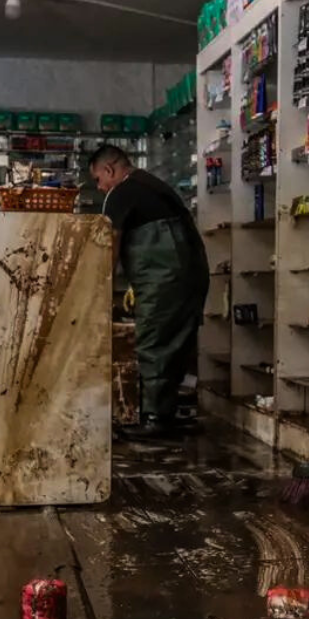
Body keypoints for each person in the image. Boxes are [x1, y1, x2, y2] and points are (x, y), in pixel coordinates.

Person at [89, 145, 209, 439]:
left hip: (164, 277)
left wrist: (98, 289)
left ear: (109, 170)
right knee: (177, 341)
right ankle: (165, 414)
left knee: (154, 341)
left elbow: (111, 245)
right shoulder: (154, 185)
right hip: (191, 274)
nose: (99, 186)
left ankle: (155, 419)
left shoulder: (120, 193)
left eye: (97, 179)